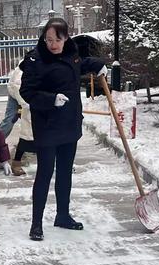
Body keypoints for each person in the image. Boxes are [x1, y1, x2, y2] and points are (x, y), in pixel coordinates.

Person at [20, 18, 107, 241]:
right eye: (48, 39)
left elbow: (79, 63)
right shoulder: (35, 59)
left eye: (57, 39)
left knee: (65, 172)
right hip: (48, 124)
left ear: (66, 37)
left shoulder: (71, 52)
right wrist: (50, 100)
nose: (52, 44)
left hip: (69, 123)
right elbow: (27, 91)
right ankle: (36, 223)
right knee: (45, 173)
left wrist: (97, 63)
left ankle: (63, 215)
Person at [7, 65, 35, 176]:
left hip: (40, 99)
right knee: (27, 134)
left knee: (50, 134)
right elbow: (17, 86)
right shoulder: (28, 65)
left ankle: (59, 163)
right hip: (24, 99)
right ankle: (16, 162)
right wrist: (25, 104)